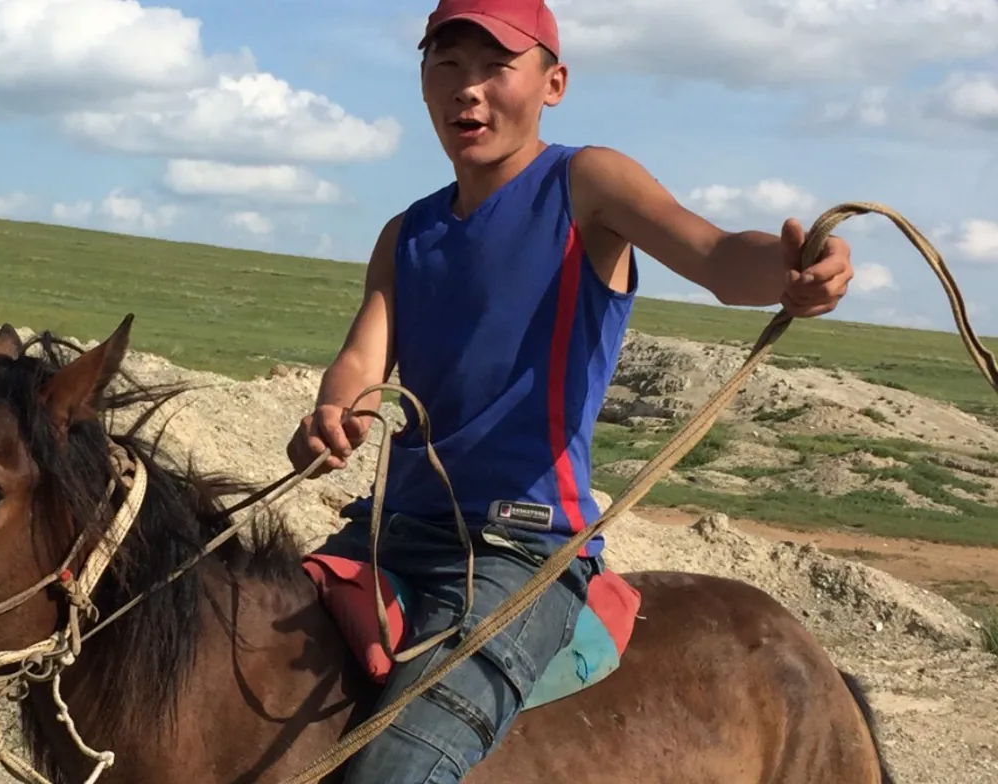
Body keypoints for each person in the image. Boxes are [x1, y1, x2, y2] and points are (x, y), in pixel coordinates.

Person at [286, 0, 855, 780]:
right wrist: (334, 410)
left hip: (519, 549)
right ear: (422, 82)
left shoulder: (585, 184)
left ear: (553, 83)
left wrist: (789, 273)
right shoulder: (405, 232)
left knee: (393, 769)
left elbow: (717, 254)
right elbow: (362, 358)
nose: (468, 89)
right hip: (389, 532)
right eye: (447, 66)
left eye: (495, 67)